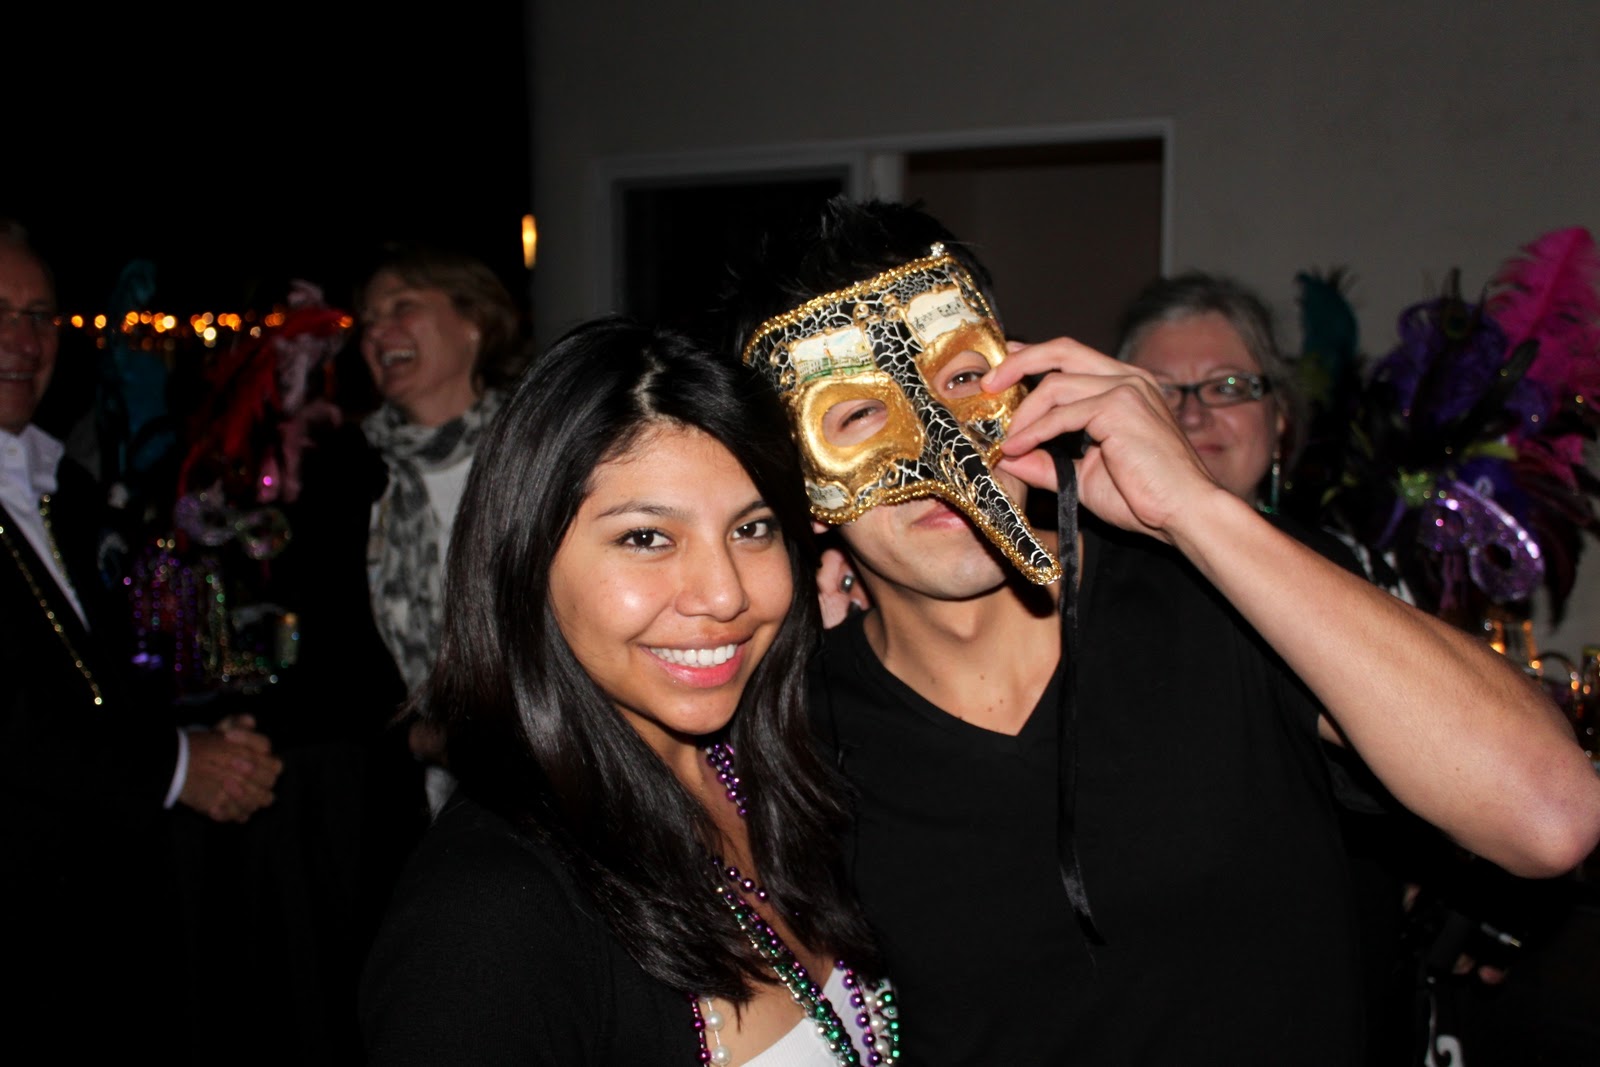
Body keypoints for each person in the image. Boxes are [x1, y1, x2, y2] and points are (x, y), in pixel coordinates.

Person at [724, 198, 1600, 1065]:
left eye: (960, 378)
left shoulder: (1224, 595)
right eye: (858, 416)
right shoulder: (792, 739)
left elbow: (1550, 815)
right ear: (800, 481)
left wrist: (1197, 512)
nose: (940, 441)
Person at [360, 318, 899, 1066]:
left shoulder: (788, 776)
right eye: (646, 537)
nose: (724, 593)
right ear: (526, 561)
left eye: (753, 529)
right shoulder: (489, 914)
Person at [0, 221, 283, 1051]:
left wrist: (206, 732)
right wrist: (181, 764)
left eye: (38, 313)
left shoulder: (64, 485)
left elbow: (115, 667)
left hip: (90, 920)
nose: (21, 339)